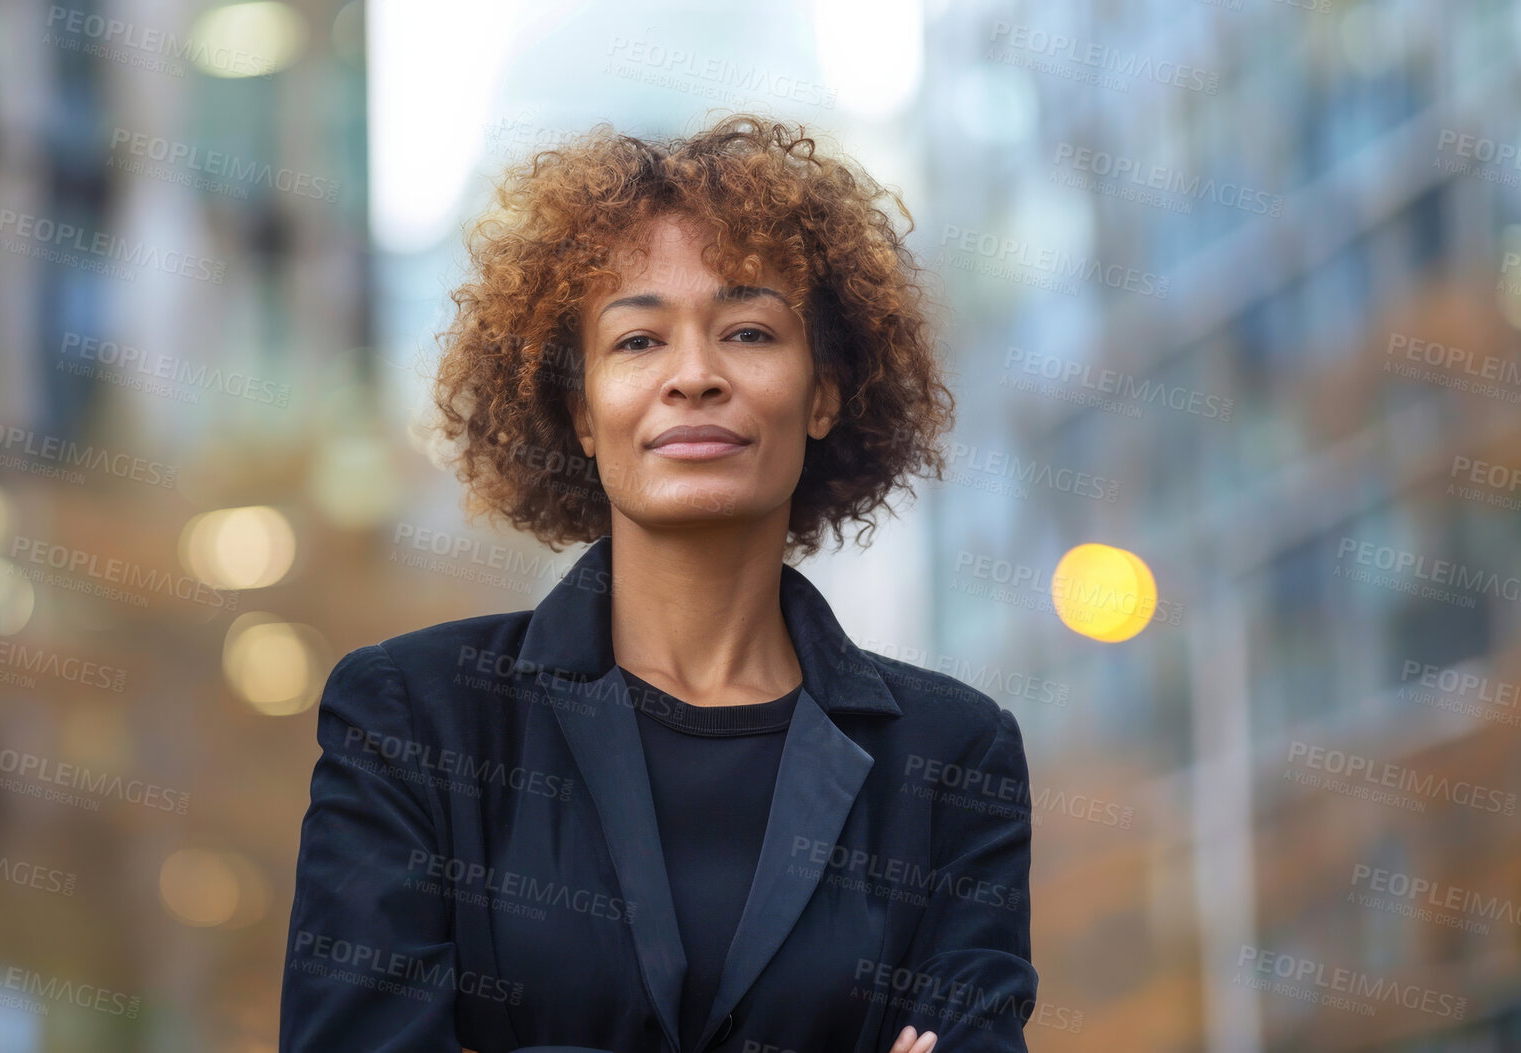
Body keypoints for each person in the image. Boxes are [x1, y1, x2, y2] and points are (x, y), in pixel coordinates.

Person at [280, 112, 1037, 1053]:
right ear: (580, 411)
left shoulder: (954, 757)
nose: (694, 376)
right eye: (637, 341)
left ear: (825, 392)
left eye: (749, 331)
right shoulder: (412, 719)